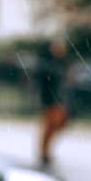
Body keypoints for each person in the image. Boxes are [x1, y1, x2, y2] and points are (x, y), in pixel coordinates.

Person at [36, 36, 72, 167]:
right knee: (50, 126)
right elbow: (45, 83)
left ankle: (45, 151)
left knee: (58, 124)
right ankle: (44, 152)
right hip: (51, 100)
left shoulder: (62, 63)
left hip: (60, 100)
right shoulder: (48, 64)